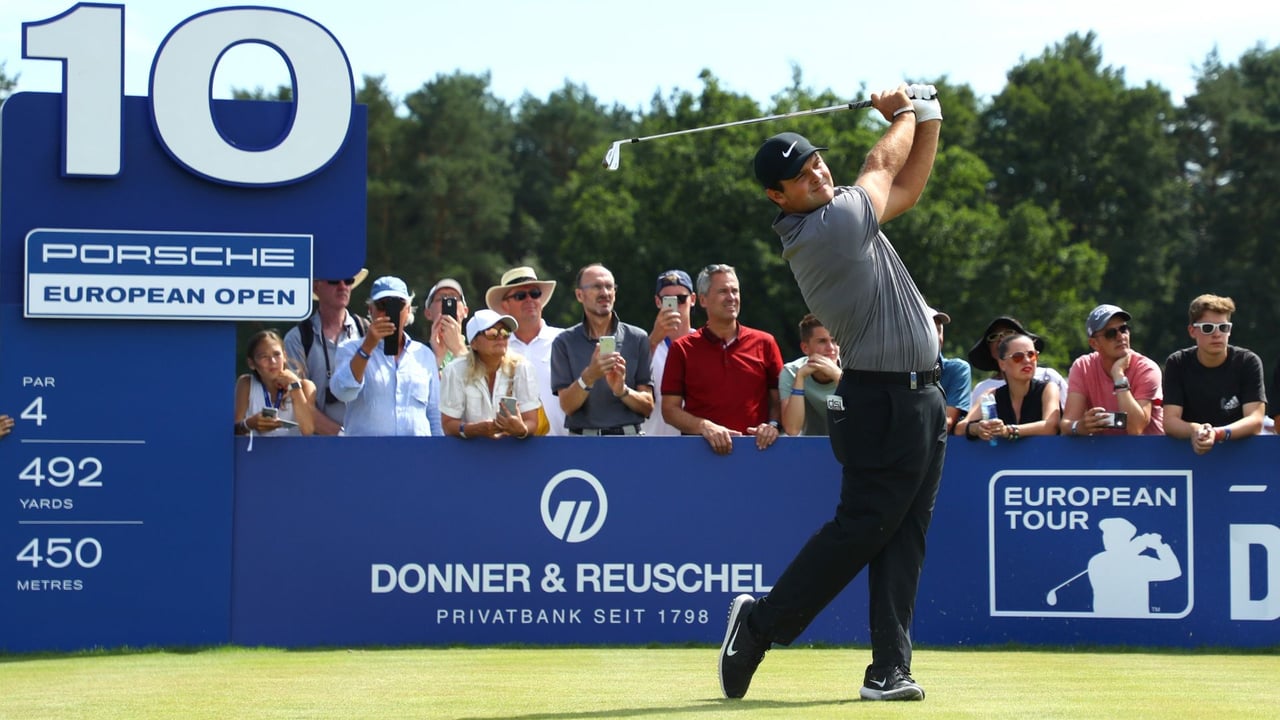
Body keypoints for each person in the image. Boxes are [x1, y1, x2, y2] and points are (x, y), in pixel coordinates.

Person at [719, 83, 944, 702]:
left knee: (903, 534)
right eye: (800, 173)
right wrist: (901, 112)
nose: (817, 171)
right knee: (861, 530)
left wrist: (929, 117)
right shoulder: (827, 229)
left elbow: (908, 188)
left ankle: (888, 670)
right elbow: (880, 166)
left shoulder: (845, 214)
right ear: (777, 195)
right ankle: (761, 625)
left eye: (816, 160)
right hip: (881, 400)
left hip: (921, 400)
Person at [661, 264, 783, 454]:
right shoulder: (682, 348)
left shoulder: (765, 343)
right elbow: (669, 410)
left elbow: (779, 400)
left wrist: (773, 425)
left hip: (757, 452)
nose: (731, 297)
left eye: (735, 290)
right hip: (699, 455)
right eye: (723, 291)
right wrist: (704, 426)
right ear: (703, 300)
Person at [330, 276, 443, 437]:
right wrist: (367, 347)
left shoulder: (424, 354)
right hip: (368, 455)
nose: (390, 312)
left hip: (417, 456)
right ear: (371, 310)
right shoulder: (350, 349)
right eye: (383, 305)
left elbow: (434, 413)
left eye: (398, 305)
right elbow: (343, 392)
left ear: (409, 309)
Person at [551, 263, 654, 435]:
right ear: (579, 295)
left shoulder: (637, 338)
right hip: (583, 443)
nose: (605, 293)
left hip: (629, 441)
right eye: (597, 287)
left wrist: (622, 390)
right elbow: (567, 406)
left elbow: (648, 407)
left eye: (609, 287)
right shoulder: (564, 342)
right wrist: (589, 376)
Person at [1162, 294, 1266, 454]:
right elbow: (1170, 422)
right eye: (1208, 328)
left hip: (1241, 455)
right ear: (1192, 331)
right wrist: (1196, 430)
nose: (1217, 334)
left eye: (1223, 328)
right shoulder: (1177, 362)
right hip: (1189, 455)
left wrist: (1218, 434)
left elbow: (1255, 420)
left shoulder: (1248, 361)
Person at [284, 269, 370, 435]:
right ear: (316, 287)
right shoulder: (298, 338)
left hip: (362, 444)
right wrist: (343, 436)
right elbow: (298, 401)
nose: (343, 287)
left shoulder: (366, 332)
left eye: (348, 280)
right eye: (334, 281)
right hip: (315, 449)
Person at [1060, 304, 1164, 437]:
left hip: (1147, 453)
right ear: (1094, 343)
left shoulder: (1147, 368)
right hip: (1103, 454)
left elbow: (1136, 428)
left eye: (1124, 329)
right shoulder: (1082, 367)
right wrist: (1080, 427)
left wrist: (1118, 376)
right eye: (1111, 333)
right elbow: (1066, 424)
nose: (1121, 337)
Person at [486, 266, 565, 435]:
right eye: (520, 296)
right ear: (505, 305)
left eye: (535, 293)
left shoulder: (564, 341)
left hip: (563, 446)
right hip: (510, 450)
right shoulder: (496, 348)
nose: (529, 299)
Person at [440, 309, 540, 440]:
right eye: (491, 333)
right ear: (474, 343)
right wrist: (474, 429)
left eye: (505, 332)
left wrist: (521, 429)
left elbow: (532, 422)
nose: (500, 337)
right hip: (469, 454)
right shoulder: (455, 370)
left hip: (513, 454)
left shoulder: (523, 368)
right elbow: (448, 424)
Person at [955, 333, 1060, 441]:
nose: (1027, 361)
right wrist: (978, 428)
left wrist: (1008, 431)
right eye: (1018, 357)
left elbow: (1051, 426)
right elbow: (959, 429)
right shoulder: (991, 395)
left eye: (1031, 355)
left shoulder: (1049, 389)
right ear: (1002, 364)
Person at [641, 269, 698, 437]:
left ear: (693, 299)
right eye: (668, 300)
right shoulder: (643, 344)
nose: (676, 306)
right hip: (655, 444)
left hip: (697, 446)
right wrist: (653, 341)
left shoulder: (705, 343)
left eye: (681, 299)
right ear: (658, 302)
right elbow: (627, 385)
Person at [967, 316, 1067, 410]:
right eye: (994, 337)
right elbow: (966, 425)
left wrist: (1009, 429)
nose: (1001, 339)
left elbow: (1065, 419)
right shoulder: (983, 390)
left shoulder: (1048, 377)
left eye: (1009, 332)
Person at [234, 329, 317, 436]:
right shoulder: (246, 383)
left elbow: (308, 430)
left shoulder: (306, 386)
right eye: (264, 356)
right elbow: (234, 430)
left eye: (277, 354)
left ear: (285, 357)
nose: (272, 361)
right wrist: (249, 424)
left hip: (293, 452)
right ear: (251, 363)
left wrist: (294, 386)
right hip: (255, 452)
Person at [779, 314, 842, 436]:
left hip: (850, 447)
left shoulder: (854, 369)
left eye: (834, 340)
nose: (831, 348)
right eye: (822, 341)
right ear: (805, 348)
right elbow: (792, 430)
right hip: (810, 448)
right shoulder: (791, 371)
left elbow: (867, 418)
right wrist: (800, 379)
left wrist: (837, 375)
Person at [930, 307, 971, 432]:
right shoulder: (896, 369)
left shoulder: (957, 369)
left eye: (938, 330)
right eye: (930, 330)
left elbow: (946, 424)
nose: (936, 337)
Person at [421, 277, 470, 377]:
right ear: (428, 313)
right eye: (440, 298)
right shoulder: (417, 353)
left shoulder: (479, 351)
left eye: (454, 298)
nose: (448, 302)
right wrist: (437, 358)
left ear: (465, 311)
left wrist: (459, 349)